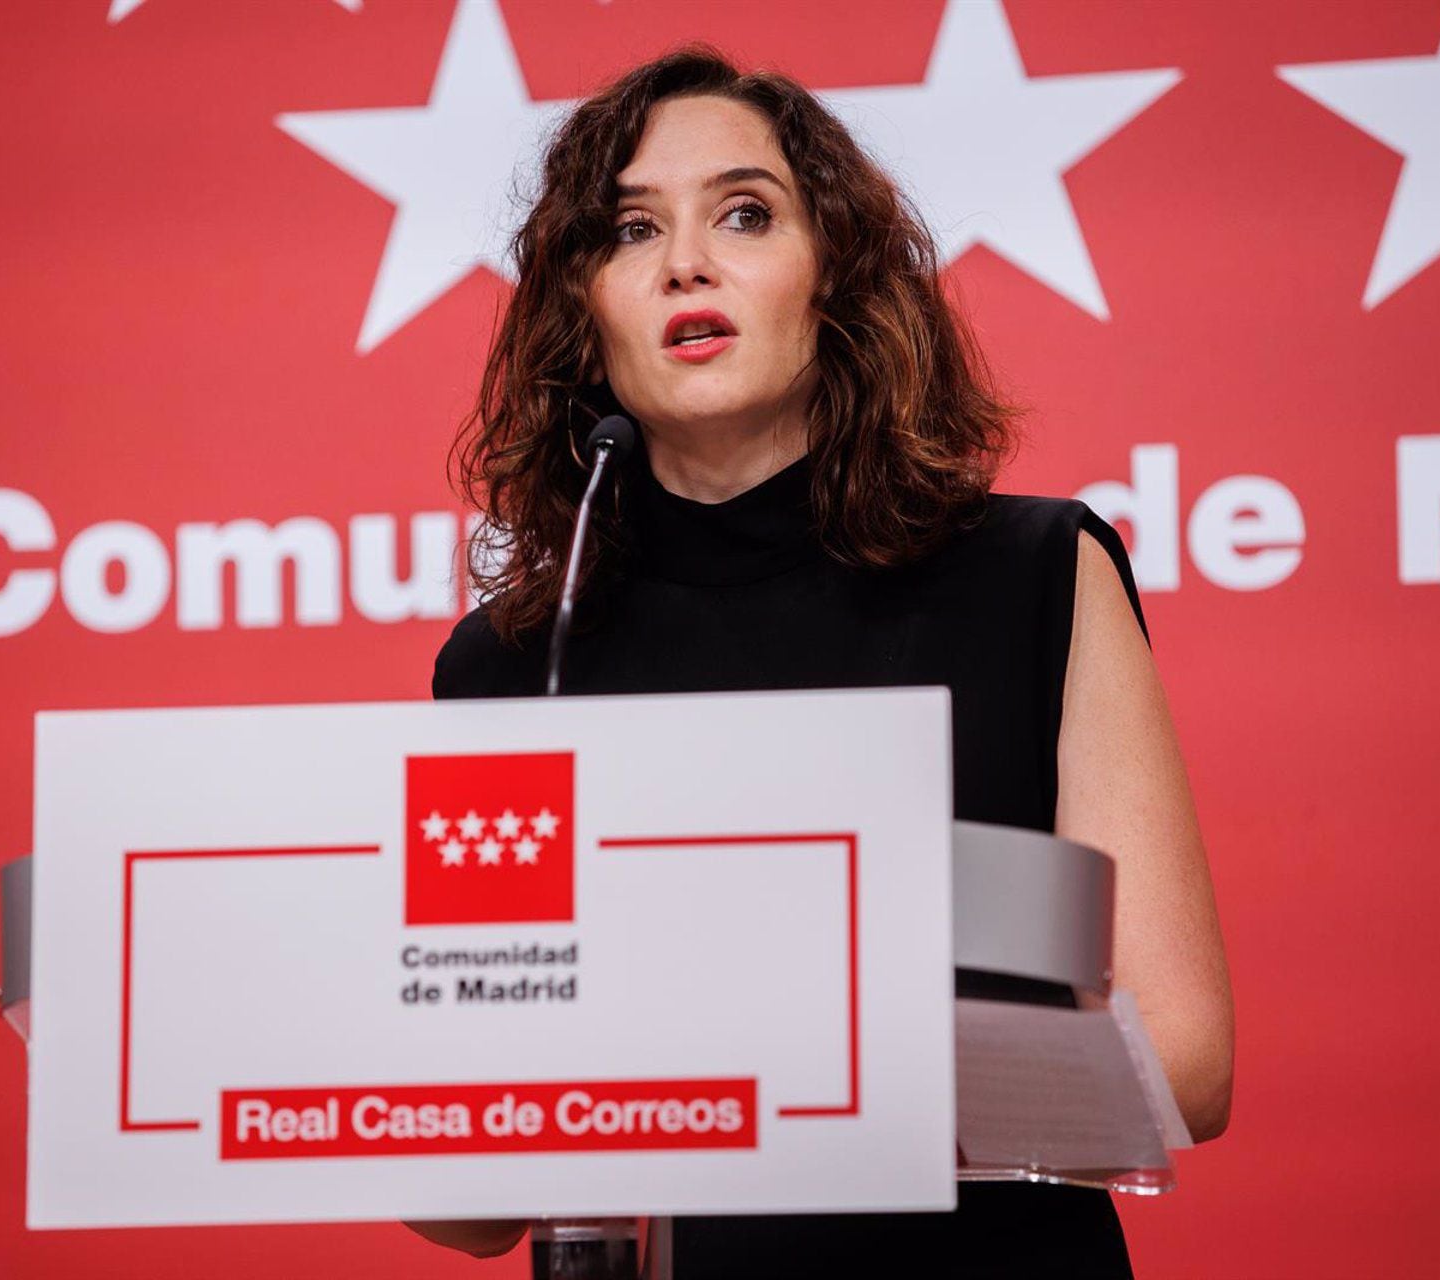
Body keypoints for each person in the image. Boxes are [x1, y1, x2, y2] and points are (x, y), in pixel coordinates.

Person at [407, 45, 1233, 1278]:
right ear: (583, 309)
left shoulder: (1034, 575)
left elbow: (1185, 1059)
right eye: (630, 230)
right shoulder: (516, 665)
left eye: (745, 212)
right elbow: (464, 1208)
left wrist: (764, 1067)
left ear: (831, 277)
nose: (687, 259)